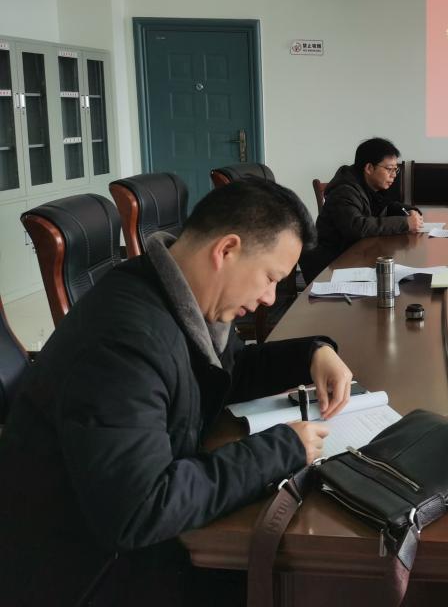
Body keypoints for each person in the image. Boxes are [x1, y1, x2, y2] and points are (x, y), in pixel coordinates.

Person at [0, 179, 353, 606]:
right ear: (226, 250)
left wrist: (311, 354)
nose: (268, 298)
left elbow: (226, 370)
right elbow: (140, 509)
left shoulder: (171, 291)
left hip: (120, 545)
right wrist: (282, 449)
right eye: (270, 278)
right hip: (85, 574)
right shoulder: (123, 344)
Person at [302, 137, 423, 280]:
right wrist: (405, 223)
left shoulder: (370, 187)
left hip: (358, 257)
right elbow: (357, 227)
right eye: (389, 169)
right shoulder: (344, 191)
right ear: (369, 168)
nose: (394, 175)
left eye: (395, 169)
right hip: (332, 266)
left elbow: (387, 206)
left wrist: (410, 211)